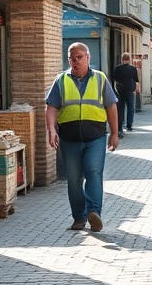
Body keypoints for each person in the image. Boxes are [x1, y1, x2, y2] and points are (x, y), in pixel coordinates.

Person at [45, 42, 120, 232]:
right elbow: (52, 107)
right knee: (74, 179)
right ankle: (79, 217)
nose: (75, 61)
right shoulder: (61, 80)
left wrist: (114, 132)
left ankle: (94, 212)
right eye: (72, 58)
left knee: (94, 172)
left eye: (79, 57)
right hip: (69, 139)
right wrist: (51, 130)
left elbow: (111, 106)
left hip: (95, 137)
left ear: (88, 57)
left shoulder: (101, 79)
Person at [112, 52, 140, 134]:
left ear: (122, 59)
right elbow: (136, 80)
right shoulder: (132, 68)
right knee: (130, 107)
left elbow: (114, 79)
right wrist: (136, 89)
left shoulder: (117, 68)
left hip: (120, 90)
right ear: (129, 59)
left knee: (120, 108)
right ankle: (129, 125)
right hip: (129, 90)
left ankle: (120, 126)